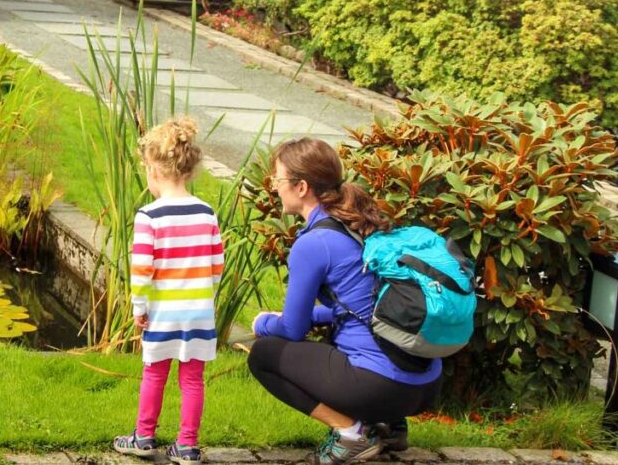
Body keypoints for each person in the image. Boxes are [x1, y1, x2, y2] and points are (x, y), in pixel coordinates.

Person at [248, 138, 442, 464]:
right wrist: (317, 316)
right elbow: (358, 306)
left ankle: (351, 433)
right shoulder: (357, 221)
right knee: (345, 335)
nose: (274, 187)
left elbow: (292, 331)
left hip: (379, 386)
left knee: (263, 355)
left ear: (301, 187)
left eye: (278, 180)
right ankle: (389, 428)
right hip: (427, 383)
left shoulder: (314, 244)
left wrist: (264, 322)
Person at [112, 116, 223, 464]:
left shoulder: (150, 216)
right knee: (193, 379)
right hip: (198, 310)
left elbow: (142, 270)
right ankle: (187, 446)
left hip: (163, 313)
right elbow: (216, 265)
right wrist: (204, 295)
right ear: (189, 170)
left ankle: (144, 437)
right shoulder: (207, 213)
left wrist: (138, 308)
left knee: (154, 372)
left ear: (154, 171)